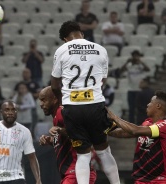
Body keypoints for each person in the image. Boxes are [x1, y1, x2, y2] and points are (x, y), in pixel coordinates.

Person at [51, 20, 120, 184]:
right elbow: (103, 81)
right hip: (95, 105)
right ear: (81, 33)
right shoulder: (101, 50)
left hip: (72, 108)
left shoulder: (62, 50)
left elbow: (54, 84)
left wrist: (64, 99)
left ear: (65, 39)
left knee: (83, 154)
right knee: (104, 151)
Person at [107, 90, 166, 183]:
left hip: (159, 180)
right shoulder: (147, 123)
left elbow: (135, 130)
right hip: (140, 179)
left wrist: (115, 118)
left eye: (151, 102)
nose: (148, 105)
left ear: (158, 106)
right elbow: (125, 133)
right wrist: (105, 130)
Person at [39, 86, 97, 184]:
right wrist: (51, 140)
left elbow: (81, 135)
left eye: (44, 100)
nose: (41, 104)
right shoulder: (57, 117)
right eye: (40, 101)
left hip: (75, 172)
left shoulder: (62, 112)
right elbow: (69, 139)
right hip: (74, 173)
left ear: (54, 99)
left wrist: (60, 130)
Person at [0, 101, 41, 184]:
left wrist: (38, 179)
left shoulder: (25, 131)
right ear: (1, 112)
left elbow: (32, 157)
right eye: (7, 110)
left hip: (16, 177)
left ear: (17, 112)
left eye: (13, 110)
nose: (10, 112)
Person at [120, 50, 150, 124]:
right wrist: (127, 62)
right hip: (131, 90)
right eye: (134, 56)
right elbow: (121, 70)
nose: (135, 57)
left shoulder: (141, 65)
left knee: (140, 108)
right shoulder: (129, 65)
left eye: (137, 56)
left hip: (139, 91)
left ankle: (141, 123)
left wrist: (141, 62)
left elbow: (148, 69)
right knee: (131, 109)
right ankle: (131, 124)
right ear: (132, 56)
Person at [14, 68, 41, 138]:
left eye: (27, 73)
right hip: (19, 114)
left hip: (29, 113)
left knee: (29, 127)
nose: (21, 89)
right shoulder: (17, 93)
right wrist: (18, 106)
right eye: (20, 88)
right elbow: (12, 102)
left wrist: (22, 107)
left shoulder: (34, 85)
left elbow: (34, 102)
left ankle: (32, 136)